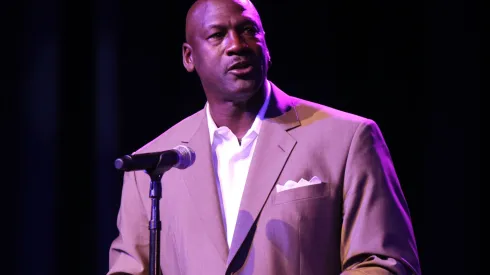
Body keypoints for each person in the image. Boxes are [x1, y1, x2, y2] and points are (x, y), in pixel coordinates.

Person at [107, 0, 422, 274]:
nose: (237, 45)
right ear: (189, 57)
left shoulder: (348, 139)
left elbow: (386, 262)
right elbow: (129, 269)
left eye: (247, 30)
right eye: (217, 35)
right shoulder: (155, 165)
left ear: (266, 45)